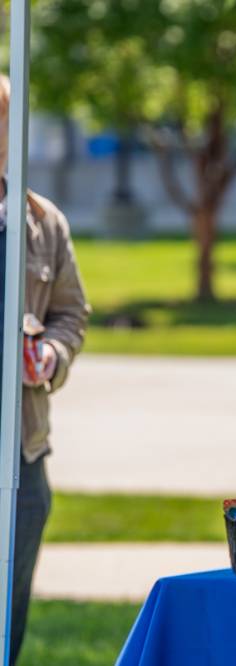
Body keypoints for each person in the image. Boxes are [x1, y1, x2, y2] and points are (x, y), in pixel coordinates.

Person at [0, 74, 90, 663]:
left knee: (7, 616)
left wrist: (53, 353)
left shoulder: (42, 220)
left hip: (23, 452)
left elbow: (70, 312)